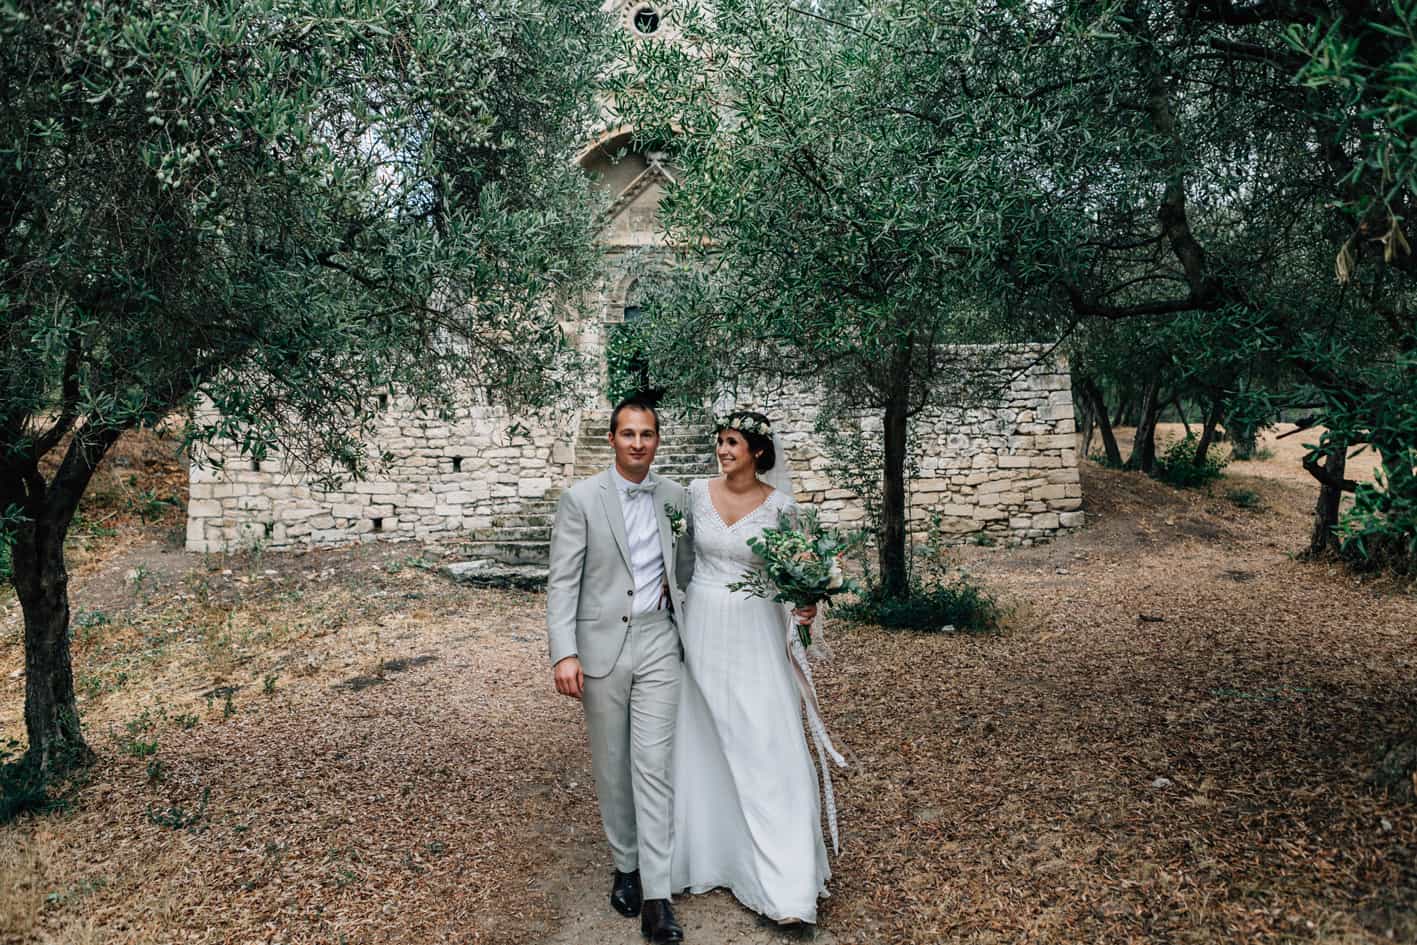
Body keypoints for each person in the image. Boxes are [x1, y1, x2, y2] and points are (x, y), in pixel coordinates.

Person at [670, 409, 837, 929]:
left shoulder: (783, 508)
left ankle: (785, 881)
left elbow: (803, 572)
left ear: (758, 452)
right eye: (720, 442)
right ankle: (706, 854)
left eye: (733, 443)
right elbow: (675, 559)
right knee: (701, 738)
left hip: (755, 634)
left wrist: (807, 603)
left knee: (763, 739)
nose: (723, 451)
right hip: (700, 627)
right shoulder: (694, 494)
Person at [546, 396, 694, 944]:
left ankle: (657, 897)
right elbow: (562, 581)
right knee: (612, 765)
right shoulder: (580, 499)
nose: (638, 443)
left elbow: (690, 568)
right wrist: (564, 651)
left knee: (652, 763)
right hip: (601, 645)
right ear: (612, 439)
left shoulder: (677, 498)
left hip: (659, 640)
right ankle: (625, 864)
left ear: (657, 441)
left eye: (647, 434)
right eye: (628, 434)